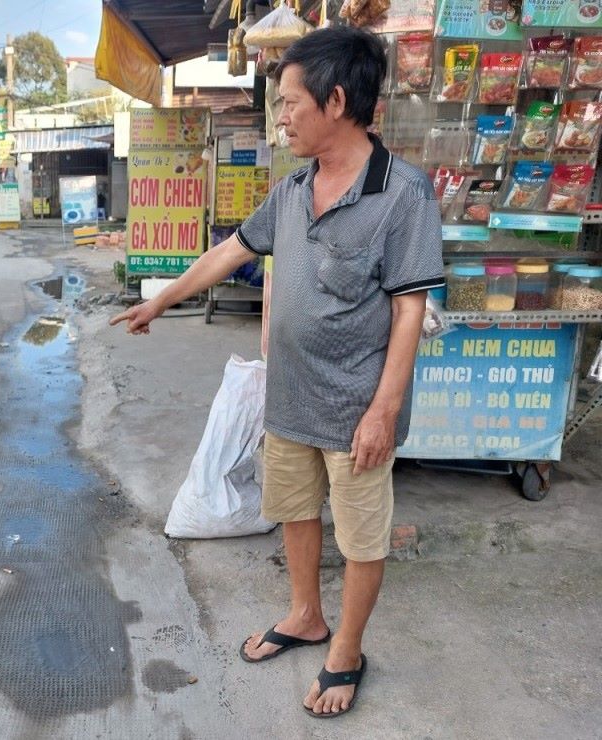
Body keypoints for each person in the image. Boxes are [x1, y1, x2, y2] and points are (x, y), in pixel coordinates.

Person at [110, 27, 444, 718]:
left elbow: (409, 309)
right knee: (293, 508)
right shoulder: (293, 188)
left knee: (361, 536)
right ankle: (305, 616)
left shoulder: (403, 194)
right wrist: (161, 300)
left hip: (356, 408)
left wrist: (384, 411)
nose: (282, 117)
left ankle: (346, 650)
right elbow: (232, 250)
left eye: (291, 102)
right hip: (288, 394)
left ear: (337, 101)